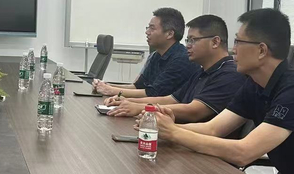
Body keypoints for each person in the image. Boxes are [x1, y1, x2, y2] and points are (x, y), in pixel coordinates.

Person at [145, 9, 294, 174]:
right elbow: (213, 129)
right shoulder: (255, 84)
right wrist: (162, 126)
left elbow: (244, 152)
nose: (234, 50)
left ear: (261, 50)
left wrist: (174, 133)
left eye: (239, 42)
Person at [103, 15, 246, 122]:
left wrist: (141, 107)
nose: (188, 45)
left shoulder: (229, 73)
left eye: (193, 40)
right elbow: (172, 99)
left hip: (201, 148)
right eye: (187, 40)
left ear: (215, 42)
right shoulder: (203, 71)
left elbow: (194, 110)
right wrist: (127, 101)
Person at [92, 7, 199, 99]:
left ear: (170, 34)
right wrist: (107, 86)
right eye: (148, 28)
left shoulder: (182, 59)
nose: (147, 32)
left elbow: (153, 93)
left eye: (152, 28)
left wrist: (111, 91)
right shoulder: (156, 55)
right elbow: (138, 87)